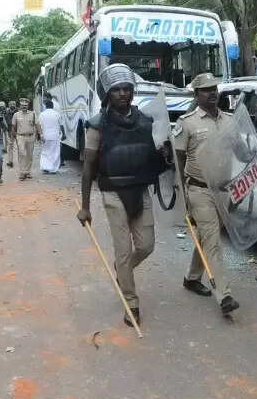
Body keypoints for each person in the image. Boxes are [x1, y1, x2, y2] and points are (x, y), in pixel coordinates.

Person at [76, 64, 167, 328]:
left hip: (141, 191)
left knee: (146, 246)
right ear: (108, 93)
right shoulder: (97, 125)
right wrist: (85, 207)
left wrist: (164, 155)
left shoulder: (145, 121)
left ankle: (122, 269)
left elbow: (154, 158)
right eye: (117, 89)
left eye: (127, 89)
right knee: (124, 250)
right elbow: (88, 167)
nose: (123, 93)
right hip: (113, 193)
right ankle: (131, 302)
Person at [174, 72, 240, 315]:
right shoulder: (187, 122)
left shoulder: (230, 120)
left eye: (214, 88)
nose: (212, 93)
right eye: (206, 90)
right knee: (213, 242)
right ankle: (224, 295)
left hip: (223, 190)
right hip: (199, 189)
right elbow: (178, 159)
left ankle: (191, 278)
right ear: (196, 94)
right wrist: (183, 195)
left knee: (206, 236)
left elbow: (240, 153)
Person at [12, 98, 40, 181]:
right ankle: (22, 172)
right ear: (20, 106)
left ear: (28, 106)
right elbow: (13, 126)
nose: (24, 107)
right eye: (22, 105)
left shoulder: (33, 114)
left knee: (29, 155)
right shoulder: (16, 115)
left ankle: (27, 172)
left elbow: (37, 124)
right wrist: (13, 136)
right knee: (22, 153)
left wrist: (40, 134)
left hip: (30, 137)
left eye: (25, 105)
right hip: (20, 136)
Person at [39, 99, 63, 174]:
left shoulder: (42, 114)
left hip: (45, 136)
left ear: (46, 106)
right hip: (55, 136)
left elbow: (39, 126)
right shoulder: (57, 114)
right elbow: (61, 125)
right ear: (52, 106)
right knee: (55, 152)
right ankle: (53, 169)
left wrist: (40, 135)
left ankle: (45, 168)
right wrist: (64, 134)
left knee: (45, 152)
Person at [6, 100, 17, 167]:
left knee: (20, 148)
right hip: (10, 131)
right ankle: (10, 161)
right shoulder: (6, 113)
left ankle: (21, 161)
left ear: (15, 105)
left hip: (19, 132)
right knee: (10, 147)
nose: (12, 105)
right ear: (9, 105)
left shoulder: (18, 112)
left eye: (13, 104)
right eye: (11, 104)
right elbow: (6, 122)